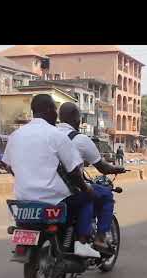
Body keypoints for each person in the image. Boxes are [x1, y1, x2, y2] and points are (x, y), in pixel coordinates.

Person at [1, 94, 100, 258]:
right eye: (55, 109)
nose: (57, 115)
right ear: (48, 110)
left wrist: (25, 175)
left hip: (23, 199)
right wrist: (85, 188)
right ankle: (81, 243)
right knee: (87, 197)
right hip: (53, 200)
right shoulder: (56, 135)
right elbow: (74, 171)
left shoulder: (15, 135)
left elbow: (6, 164)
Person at [57, 102, 127, 255]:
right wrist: (118, 169)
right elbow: (102, 168)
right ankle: (99, 237)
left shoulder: (50, 135)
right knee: (101, 194)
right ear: (77, 119)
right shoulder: (80, 139)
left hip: (45, 191)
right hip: (67, 190)